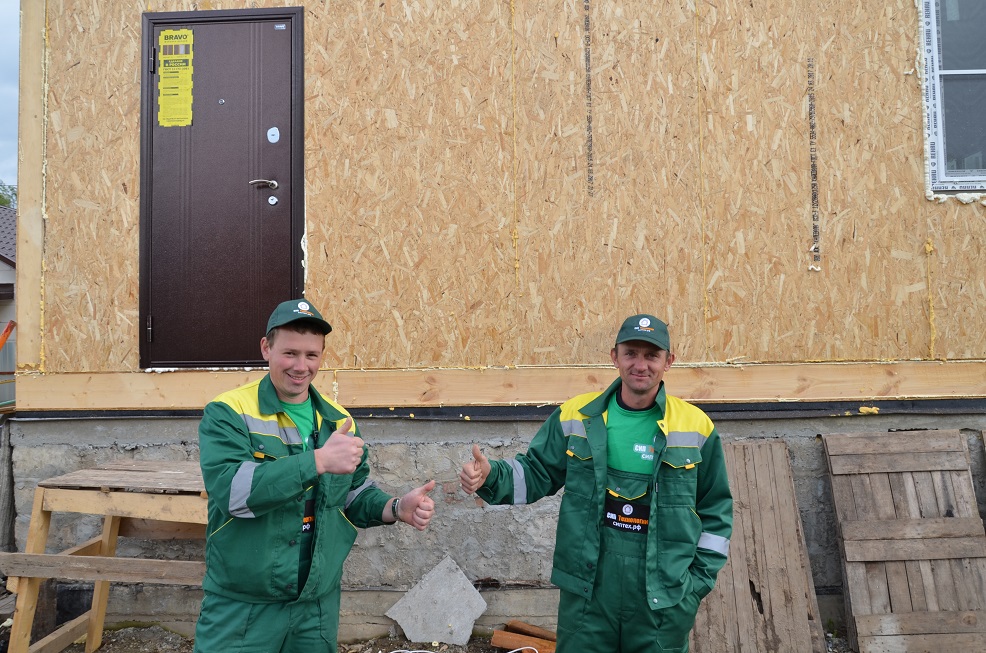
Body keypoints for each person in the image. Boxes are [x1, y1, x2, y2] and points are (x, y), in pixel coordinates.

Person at [459, 314, 732, 653]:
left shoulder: (695, 428)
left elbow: (716, 511)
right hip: (587, 595)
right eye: (631, 353)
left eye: (652, 355)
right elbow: (536, 472)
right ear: (615, 356)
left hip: (663, 601)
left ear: (668, 361)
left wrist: (695, 585)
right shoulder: (577, 416)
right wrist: (490, 476)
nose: (641, 365)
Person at [194, 299, 436, 653]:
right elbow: (233, 493)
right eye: (290, 353)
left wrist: (396, 507)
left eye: (311, 355)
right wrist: (318, 460)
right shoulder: (229, 412)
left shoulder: (339, 421)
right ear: (266, 348)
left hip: (316, 606)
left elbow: (352, 494)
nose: (301, 366)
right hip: (243, 606)